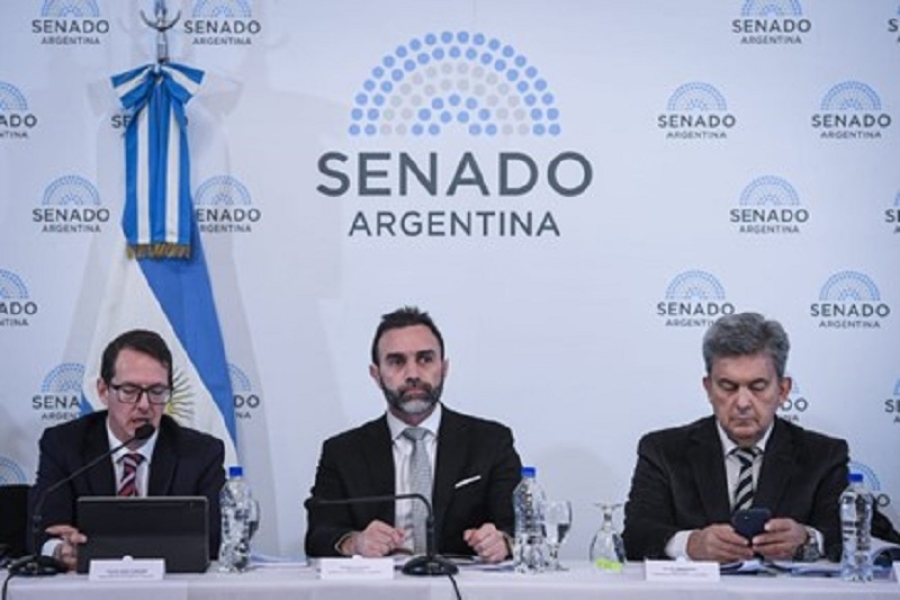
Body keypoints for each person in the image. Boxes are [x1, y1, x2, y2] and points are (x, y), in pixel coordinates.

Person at [622, 312, 898, 563]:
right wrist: (690, 544)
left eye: (757, 387)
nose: (742, 403)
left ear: (783, 390)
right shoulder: (663, 451)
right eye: (728, 387)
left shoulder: (822, 455)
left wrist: (808, 540)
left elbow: (874, 534)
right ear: (708, 388)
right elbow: (636, 535)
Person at [305, 306, 522, 563]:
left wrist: (502, 542)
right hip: (379, 584)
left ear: (444, 367)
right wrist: (356, 542)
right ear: (376, 374)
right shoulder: (343, 452)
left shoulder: (491, 442)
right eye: (397, 362)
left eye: (425, 359)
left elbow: (518, 526)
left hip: (462, 583)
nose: (413, 374)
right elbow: (318, 534)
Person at [27, 329, 226, 571]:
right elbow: (44, 529)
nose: (144, 405)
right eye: (130, 391)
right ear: (103, 391)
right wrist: (60, 550)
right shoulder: (65, 444)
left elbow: (213, 539)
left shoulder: (201, 453)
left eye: (157, 391)